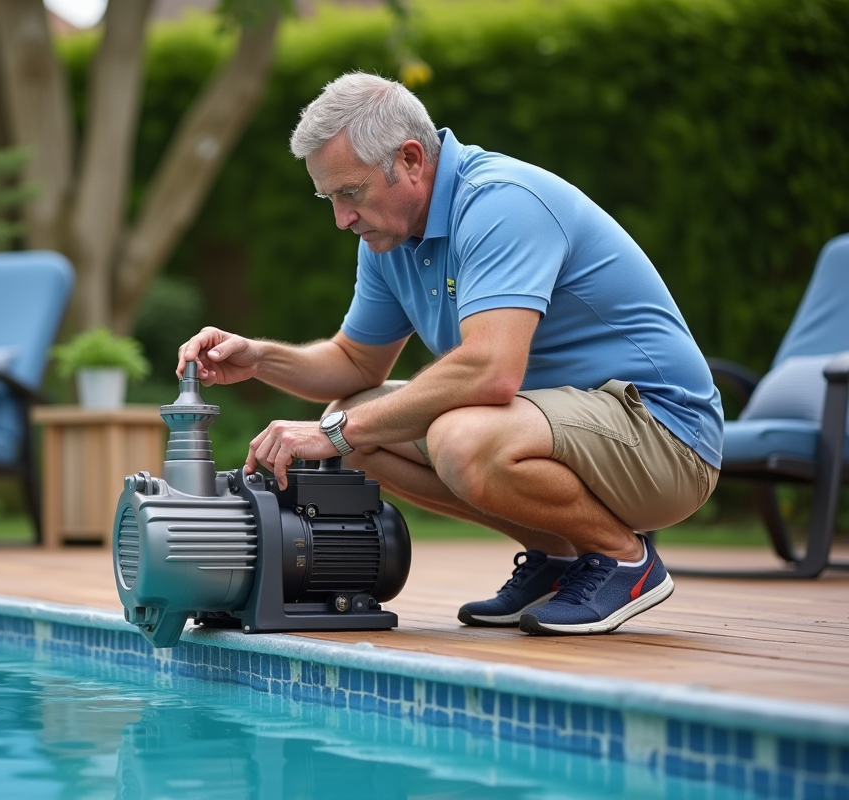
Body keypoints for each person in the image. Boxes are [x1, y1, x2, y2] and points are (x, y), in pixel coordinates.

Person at [176, 72, 722, 636]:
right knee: (356, 414)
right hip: (567, 426)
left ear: (411, 159)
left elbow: (490, 371)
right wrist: (261, 357)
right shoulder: (391, 239)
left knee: (455, 437)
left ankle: (624, 561)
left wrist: (338, 432)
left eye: (351, 192)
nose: (341, 218)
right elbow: (356, 364)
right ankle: (560, 555)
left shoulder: (501, 204)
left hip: (665, 437)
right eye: (329, 198)